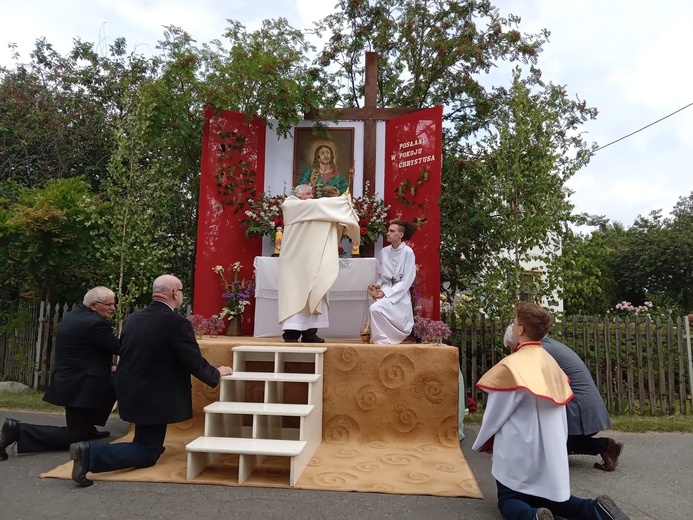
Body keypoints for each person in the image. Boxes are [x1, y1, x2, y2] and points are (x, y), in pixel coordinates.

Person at [68, 275, 233, 487]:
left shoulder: (134, 318)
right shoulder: (176, 322)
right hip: (154, 393)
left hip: (130, 386)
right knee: (147, 453)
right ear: (174, 293)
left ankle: (124, 448)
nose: (182, 295)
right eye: (181, 291)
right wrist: (217, 373)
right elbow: (192, 360)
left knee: (146, 442)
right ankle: (89, 454)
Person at [473, 302, 631, 520]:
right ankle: (594, 510)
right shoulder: (552, 363)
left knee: (508, 499)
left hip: (517, 446)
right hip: (547, 444)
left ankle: (533, 517)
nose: (513, 324)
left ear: (521, 330)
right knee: (547, 496)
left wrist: (483, 440)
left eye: (515, 321)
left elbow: (496, 412)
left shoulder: (511, 365)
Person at [0, 287, 121, 461]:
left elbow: (84, 349)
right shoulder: (95, 323)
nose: (113, 308)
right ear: (94, 305)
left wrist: (109, 365)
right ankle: (17, 430)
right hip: (80, 384)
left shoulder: (76, 315)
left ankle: (88, 430)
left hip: (71, 380)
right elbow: (119, 347)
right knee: (75, 436)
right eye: (110, 304)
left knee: (112, 381)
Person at [503, 326, 624, 472]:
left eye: (514, 349)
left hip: (578, 409)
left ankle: (605, 446)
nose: (513, 353)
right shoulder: (547, 345)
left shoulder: (540, 351)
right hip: (584, 407)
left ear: (520, 336)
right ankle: (605, 446)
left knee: (542, 445)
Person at [278, 184, 360, 343]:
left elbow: (323, 214)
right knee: (295, 294)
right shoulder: (291, 205)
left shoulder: (312, 209)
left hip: (313, 260)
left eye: (312, 194)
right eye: (308, 193)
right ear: (298, 194)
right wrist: (342, 201)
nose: (311, 197)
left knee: (317, 289)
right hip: (294, 262)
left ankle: (310, 333)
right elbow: (318, 206)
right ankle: (291, 334)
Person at [368, 219, 418, 344]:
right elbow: (381, 275)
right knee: (374, 309)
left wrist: (385, 292)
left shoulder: (408, 252)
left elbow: (407, 280)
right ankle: (382, 341)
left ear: (400, 234)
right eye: (388, 231)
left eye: (392, 231)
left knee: (375, 309)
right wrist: (378, 284)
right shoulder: (384, 251)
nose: (388, 233)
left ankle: (385, 341)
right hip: (385, 292)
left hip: (398, 295)